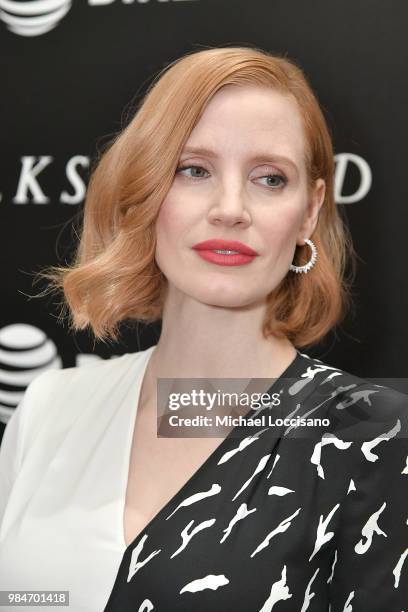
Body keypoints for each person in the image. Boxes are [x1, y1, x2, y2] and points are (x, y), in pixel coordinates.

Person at [0, 46, 407, 612]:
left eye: (269, 178)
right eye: (194, 170)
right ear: (145, 187)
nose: (230, 208)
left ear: (309, 211)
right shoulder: (51, 408)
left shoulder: (375, 440)